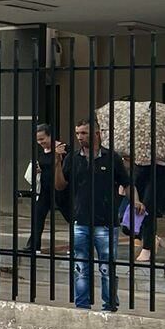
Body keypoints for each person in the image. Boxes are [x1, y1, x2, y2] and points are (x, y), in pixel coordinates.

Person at [54, 119, 142, 312]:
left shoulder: (111, 158)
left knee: (107, 268)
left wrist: (135, 200)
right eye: (77, 133)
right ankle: (82, 305)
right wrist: (57, 163)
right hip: (81, 220)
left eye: (84, 133)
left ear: (97, 133)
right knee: (81, 268)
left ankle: (109, 305)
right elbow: (60, 185)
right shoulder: (73, 158)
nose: (79, 137)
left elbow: (127, 183)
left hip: (106, 222)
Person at [22, 124, 73, 255]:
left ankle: (75, 245)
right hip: (44, 189)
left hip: (61, 188)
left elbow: (69, 168)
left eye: (43, 139)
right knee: (38, 216)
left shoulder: (63, 149)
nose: (41, 143)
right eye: (38, 140)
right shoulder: (41, 151)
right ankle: (33, 246)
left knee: (71, 217)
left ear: (50, 135)